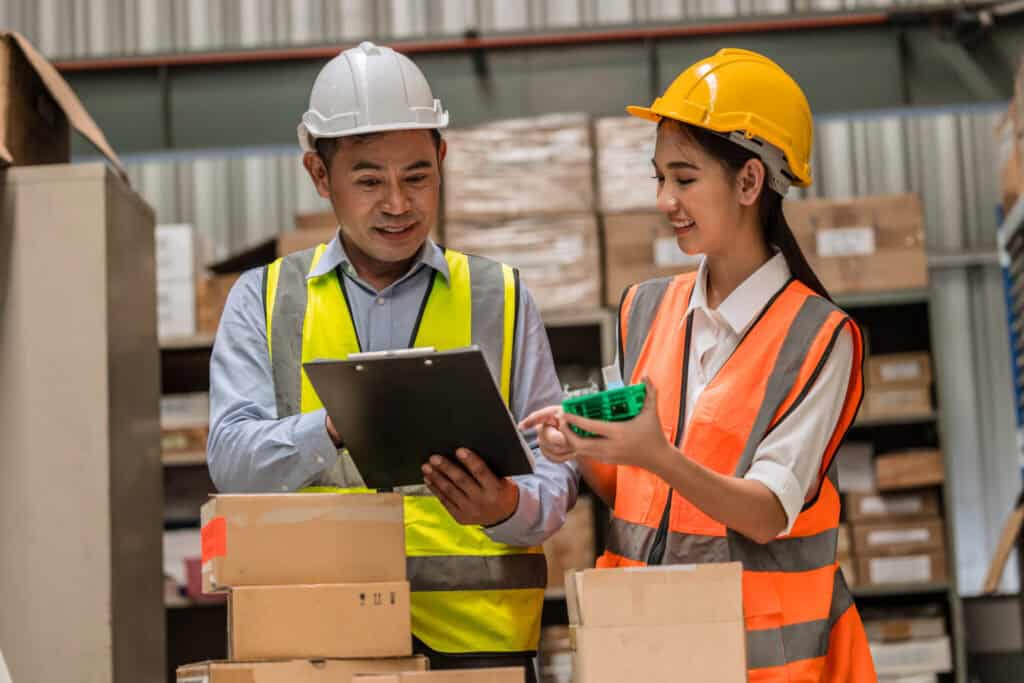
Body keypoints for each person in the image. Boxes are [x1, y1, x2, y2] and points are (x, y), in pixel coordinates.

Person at [207, 42, 577, 681]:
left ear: (442, 158)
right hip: (319, 645)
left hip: (480, 647)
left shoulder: (502, 297)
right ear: (320, 176)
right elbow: (232, 461)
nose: (398, 204)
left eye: (417, 175)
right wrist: (335, 425)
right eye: (370, 179)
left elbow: (557, 470)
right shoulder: (263, 300)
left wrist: (505, 506)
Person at [522, 49, 876, 682]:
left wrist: (655, 452)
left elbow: (768, 512)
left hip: (754, 664)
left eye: (684, 179)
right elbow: (637, 492)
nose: (664, 200)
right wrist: (581, 448)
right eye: (658, 177)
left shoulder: (821, 338)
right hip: (639, 647)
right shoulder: (646, 307)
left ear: (748, 182)